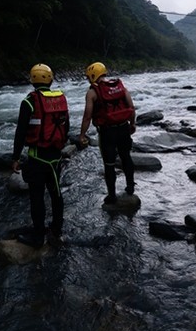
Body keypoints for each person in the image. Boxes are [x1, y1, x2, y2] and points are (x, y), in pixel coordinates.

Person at [12, 64, 70, 248]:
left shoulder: (28, 101)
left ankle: (38, 236)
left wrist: (15, 157)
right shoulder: (60, 99)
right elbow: (66, 127)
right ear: (51, 79)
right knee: (56, 193)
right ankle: (57, 229)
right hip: (55, 155)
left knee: (37, 196)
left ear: (32, 80)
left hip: (37, 157)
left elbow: (21, 132)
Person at [79, 62, 136, 204]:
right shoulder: (119, 86)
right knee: (126, 157)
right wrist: (132, 123)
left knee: (109, 164)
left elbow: (87, 116)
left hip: (107, 132)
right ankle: (130, 187)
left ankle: (112, 195)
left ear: (93, 75)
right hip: (123, 128)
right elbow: (131, 107)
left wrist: (82, 135)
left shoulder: (92, 92)